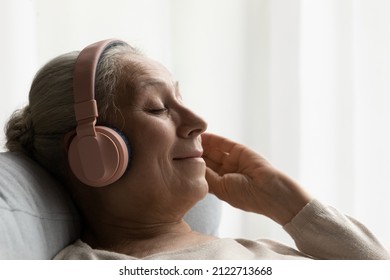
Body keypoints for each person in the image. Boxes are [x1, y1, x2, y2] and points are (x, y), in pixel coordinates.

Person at [4, 39, 389, 260]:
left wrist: (287, 203)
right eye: (157, 107)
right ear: (94, 152)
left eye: (182, 100)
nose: (199, 121)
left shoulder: (257, 251)